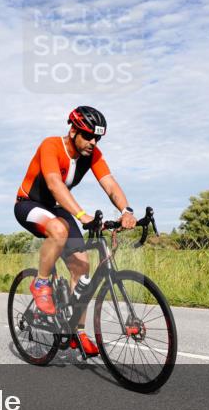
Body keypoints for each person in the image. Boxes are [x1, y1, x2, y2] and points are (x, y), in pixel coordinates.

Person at [14, 106, 137, 356]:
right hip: (29, 204)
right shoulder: (51, 145)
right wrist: (81, 215)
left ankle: (76, 331)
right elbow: (54, 184)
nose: (93, 142)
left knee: (82, 267)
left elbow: (110, 184)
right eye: (88, 136)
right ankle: (41, 283)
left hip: (57, 208)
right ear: (73, 131)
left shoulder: (93, 154)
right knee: (59, 230)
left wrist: (126, 210)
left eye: (97, 138)